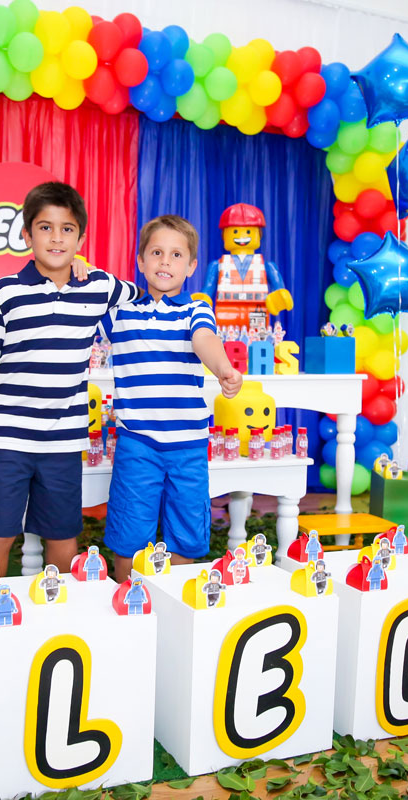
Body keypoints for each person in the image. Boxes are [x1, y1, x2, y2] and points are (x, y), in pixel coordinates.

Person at [0, 182, 139, 576]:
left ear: (80, 238)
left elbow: (139, 295)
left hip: (64, 440)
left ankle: (60, 606)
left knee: (62, 536)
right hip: (9, 438)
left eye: (67, 229)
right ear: (27, 235)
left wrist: (90, 268)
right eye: (45, 228)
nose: (57, 238)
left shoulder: (98, 287)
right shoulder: (3, 293)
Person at [100, 216, 243, 582]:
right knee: (129, 536)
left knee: (186, 535)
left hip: (188, 447)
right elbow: (82, 296)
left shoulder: (195, 309)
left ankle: (178, 602)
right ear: (140, 261)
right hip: (137, 444)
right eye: (157, 253)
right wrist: (80, 270)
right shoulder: (119, 313)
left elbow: (204, 339)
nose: (165, 261)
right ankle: (127, 598)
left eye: (176, 255)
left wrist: (222, 368)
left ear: (191, 266)